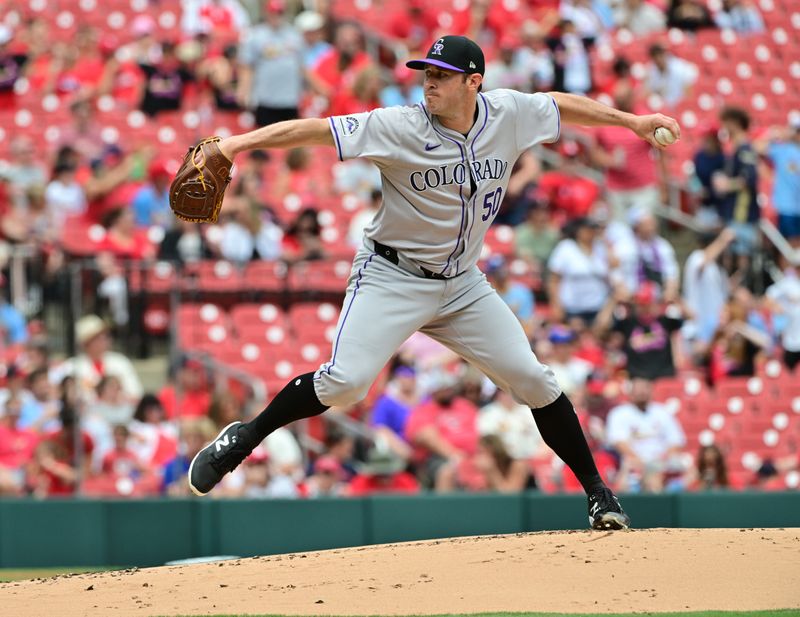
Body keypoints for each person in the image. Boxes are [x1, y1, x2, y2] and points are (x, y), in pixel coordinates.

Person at [187, 34, 681, 530]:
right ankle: (245, 438)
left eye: (442, 75)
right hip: (391, 276)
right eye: (427, 73)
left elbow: (560, 105)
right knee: (346, 384)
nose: (430, 83)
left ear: (474, 81)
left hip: (463, 284)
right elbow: (316, 130)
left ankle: (599, 494)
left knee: (534, 379)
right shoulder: (398, 125)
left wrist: (633, 122)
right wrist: (236, 143)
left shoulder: (508, 113)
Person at [605, 377, 686, 492]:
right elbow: (619, 443)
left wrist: (662, 462)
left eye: (645, 389)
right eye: (638, 389)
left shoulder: (662, 412)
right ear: (631, 392)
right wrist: (645, 466)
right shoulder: (619, 413)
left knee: (681, 470)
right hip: (634, 467)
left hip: (662, 465)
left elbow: (676, 441)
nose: (642, 392)